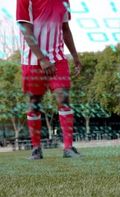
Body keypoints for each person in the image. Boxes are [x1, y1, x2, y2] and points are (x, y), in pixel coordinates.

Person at [16, 0, 82, 159]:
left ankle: (68, 148)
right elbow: (25, 29)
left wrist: (75, 56)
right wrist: (42, 59)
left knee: (63, 98)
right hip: (33, 59)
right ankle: (36, 149)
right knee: (34, 103)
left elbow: (65, 29)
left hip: (58, 59)